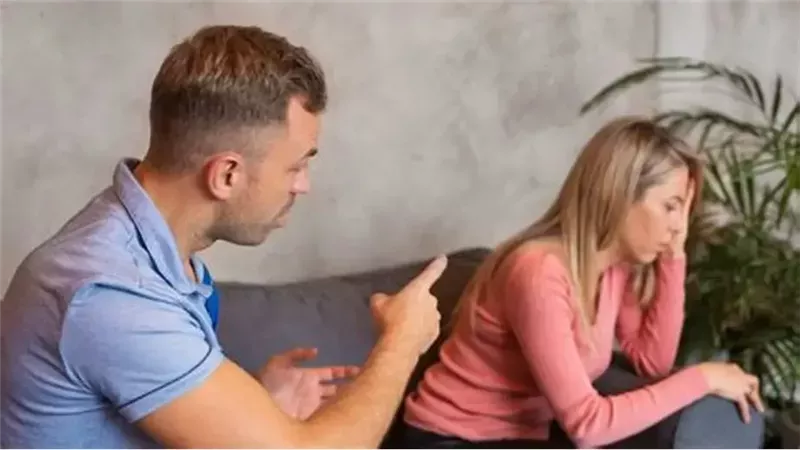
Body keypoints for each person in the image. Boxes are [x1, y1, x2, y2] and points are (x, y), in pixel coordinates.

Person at [0, 25, 447, 448]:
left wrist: (256, 405)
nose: (303, 185)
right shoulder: (112, 294)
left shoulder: (145, 245)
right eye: (296, 166)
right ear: (227, 174)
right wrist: (403, 339)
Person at [399, 117, 766, 449]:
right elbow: (588, 426)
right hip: (448, 439)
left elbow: (652, 363)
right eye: (671, 207)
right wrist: (703, 377)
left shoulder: (612, 270)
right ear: (621, 195)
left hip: (520, 438)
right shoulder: (538, 272)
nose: (678, 226)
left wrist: (674, 256)